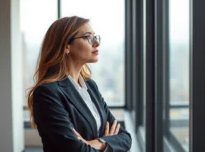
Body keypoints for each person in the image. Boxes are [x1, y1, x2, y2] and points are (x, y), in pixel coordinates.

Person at [27, 16, 132, 152]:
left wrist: (97, 143)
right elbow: (76, 150)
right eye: (88, 37)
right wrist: (108, 144)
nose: (96, 43)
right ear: (66, 46)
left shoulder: (90, 86)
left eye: (96, 37)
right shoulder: (47, 93)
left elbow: (125, 138)